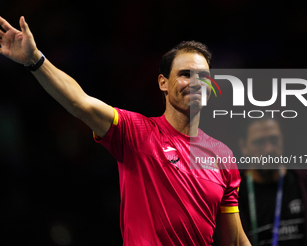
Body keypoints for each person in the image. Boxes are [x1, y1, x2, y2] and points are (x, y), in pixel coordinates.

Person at [0, 16, 251, 246]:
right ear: (163, 82)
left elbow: (235, 241)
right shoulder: (138, 133)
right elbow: (80, 102)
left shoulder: (222, 155)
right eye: (185, 74)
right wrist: (35, 60)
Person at [238, 116, 307, 246]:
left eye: (274, 140)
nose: (269, 149)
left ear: (282, 140)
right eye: (259, 142)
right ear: (243, 146)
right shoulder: (232, 195)